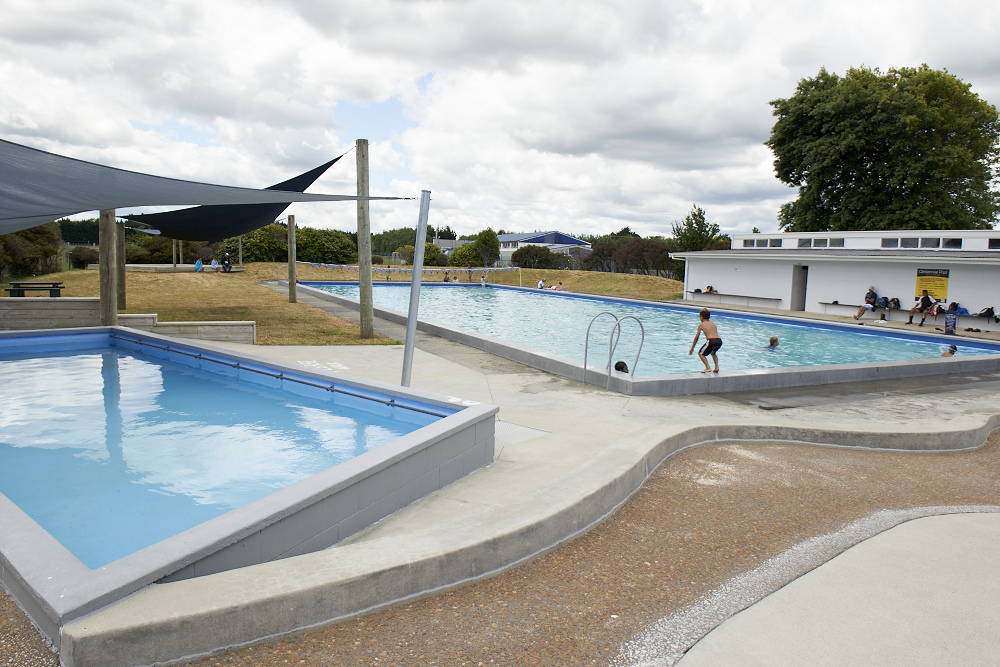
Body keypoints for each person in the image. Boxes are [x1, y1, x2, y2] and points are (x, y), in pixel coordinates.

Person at [689, 308, 722, 373]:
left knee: (700, 353)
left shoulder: (701, 325)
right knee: (713, 353)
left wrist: (692, 348)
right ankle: (716, 367)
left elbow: (696, 337)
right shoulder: (713, 323)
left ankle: (708, 367)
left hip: (711, 340)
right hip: (719, 341)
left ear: (702, 317)